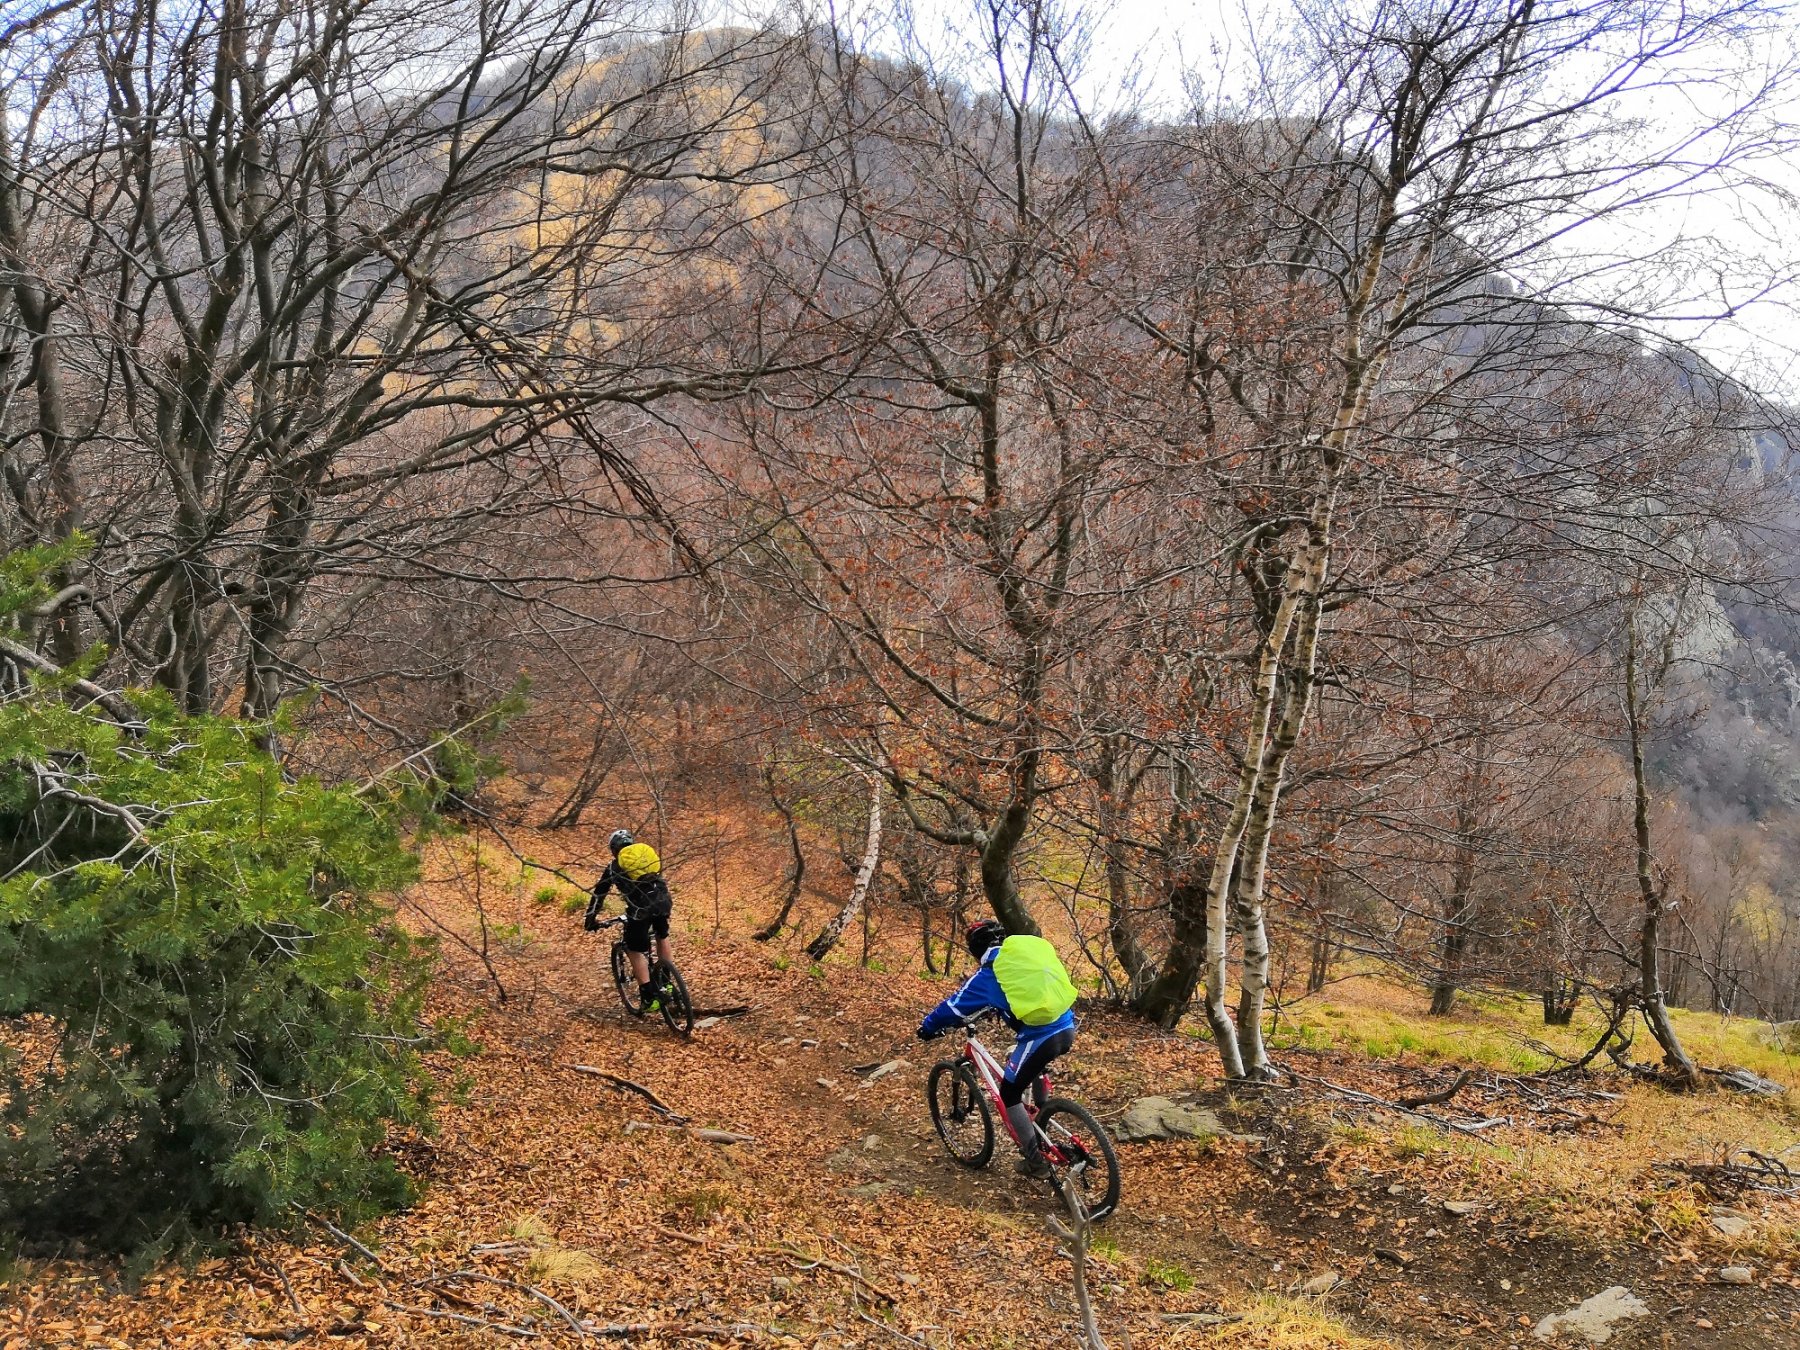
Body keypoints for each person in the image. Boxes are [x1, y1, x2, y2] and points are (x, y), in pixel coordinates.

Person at [917, 920, 1079, 1178]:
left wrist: (927, 1028)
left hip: (1042, 1036)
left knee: (1009, 1093)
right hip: (1066, 1024)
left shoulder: (990, 973)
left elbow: (953, 1008)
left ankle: (1035, 1163)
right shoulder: (1023, 958)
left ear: (975, 950)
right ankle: (1044, 1111)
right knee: (1029, 1063)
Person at [585, 829, 675, 1013]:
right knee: (662, 935)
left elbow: (599, 894)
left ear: (614, 850)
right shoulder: (645, 857)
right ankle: (668, 983)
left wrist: (590, 919)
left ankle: (648, 997)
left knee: (634, 948)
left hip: (640, 908)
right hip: (663, 900)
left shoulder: (614, 866)